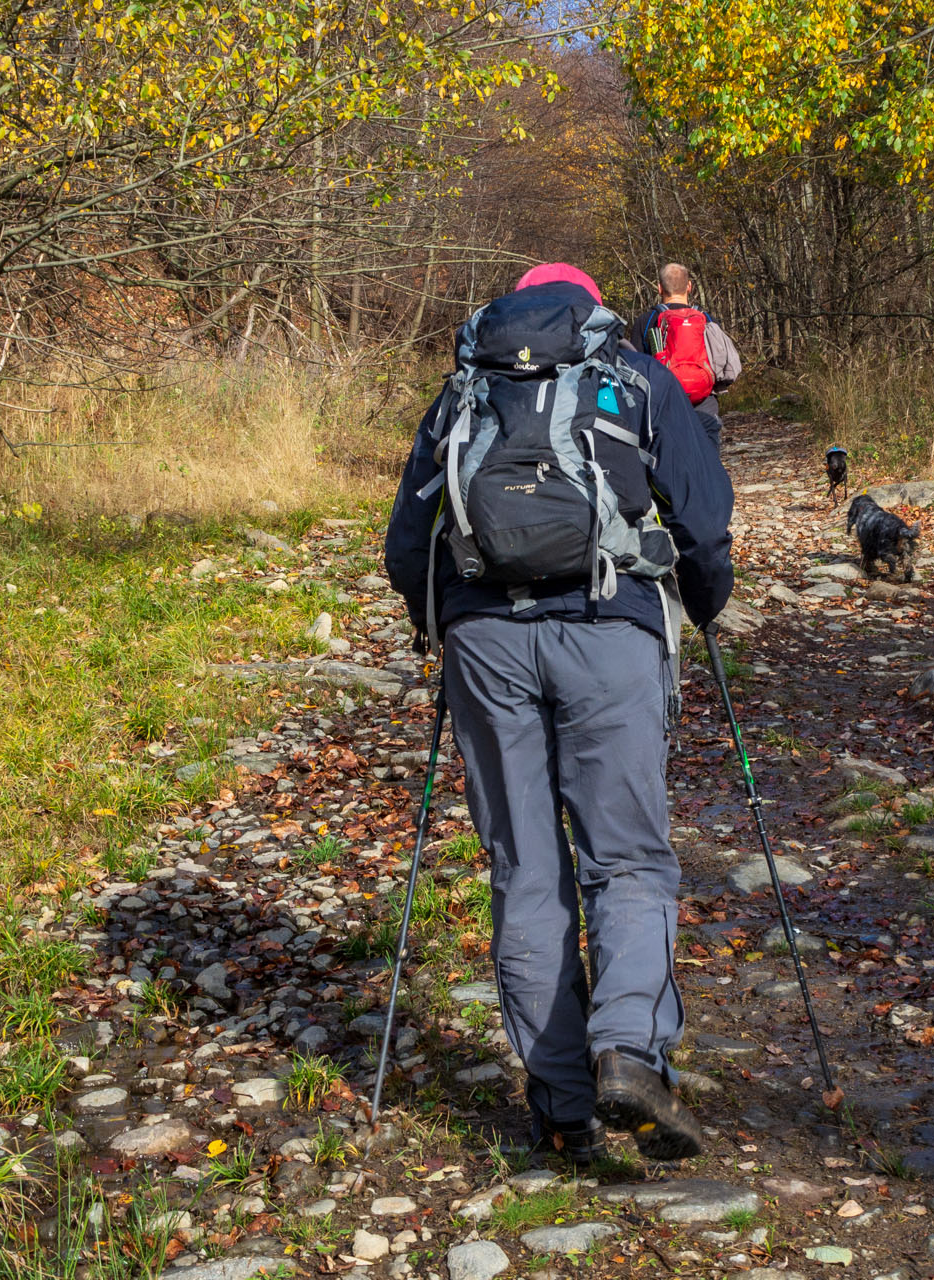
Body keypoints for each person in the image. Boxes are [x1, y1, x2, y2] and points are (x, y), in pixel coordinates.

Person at [384, 263, 734, 1162]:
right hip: (609, 633)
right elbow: (701, 519)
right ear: (592, 311)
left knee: (526, 869)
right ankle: (628, 1050)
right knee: (626, 859)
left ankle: (564, 1106)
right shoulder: (634, 376)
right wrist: (703, 601)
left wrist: (448, 624)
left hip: (487, 647)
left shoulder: (463, 391)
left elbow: (407, 544)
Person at [627, 262, 741, 447]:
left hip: (663, 404)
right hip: (705, 402)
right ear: (689, 287)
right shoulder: (707, 319)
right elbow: (723, 362)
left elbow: (635, 368)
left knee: (669, 461)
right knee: (707, 456)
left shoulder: (647, 321)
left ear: (659, 288)